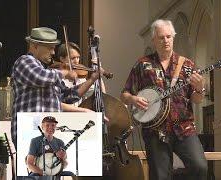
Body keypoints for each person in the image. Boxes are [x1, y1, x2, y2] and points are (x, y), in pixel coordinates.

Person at [120, 19, 207, 180]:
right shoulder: (143, 64)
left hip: (184, 127)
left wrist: (200, 87)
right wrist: (133, 99)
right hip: (155, 131)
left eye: (169, 36)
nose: (166, 40)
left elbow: (197, 99)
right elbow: (124, 94)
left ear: (173, 37)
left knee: (199, 166)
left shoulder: (187, 65)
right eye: (161, 37)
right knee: (160, 176)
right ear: (154, 39)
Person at [11, 27, 103, 148]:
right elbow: (40, 77)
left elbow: (69, 96)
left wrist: (92, 79)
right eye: (50, 48)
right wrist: (64, 73)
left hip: (48, 132)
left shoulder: (49, 72)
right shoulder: (24, 61)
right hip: (29, 129)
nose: (53, 52)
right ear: (35, 46)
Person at [56, 42, 106, 107]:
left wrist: (98, 74)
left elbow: (102, 95)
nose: (77, 61)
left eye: (78, 57)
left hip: (79, 115)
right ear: (62, 59)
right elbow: (59, 103)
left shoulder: (81, 78)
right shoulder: (56, 77)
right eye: (73, 58)